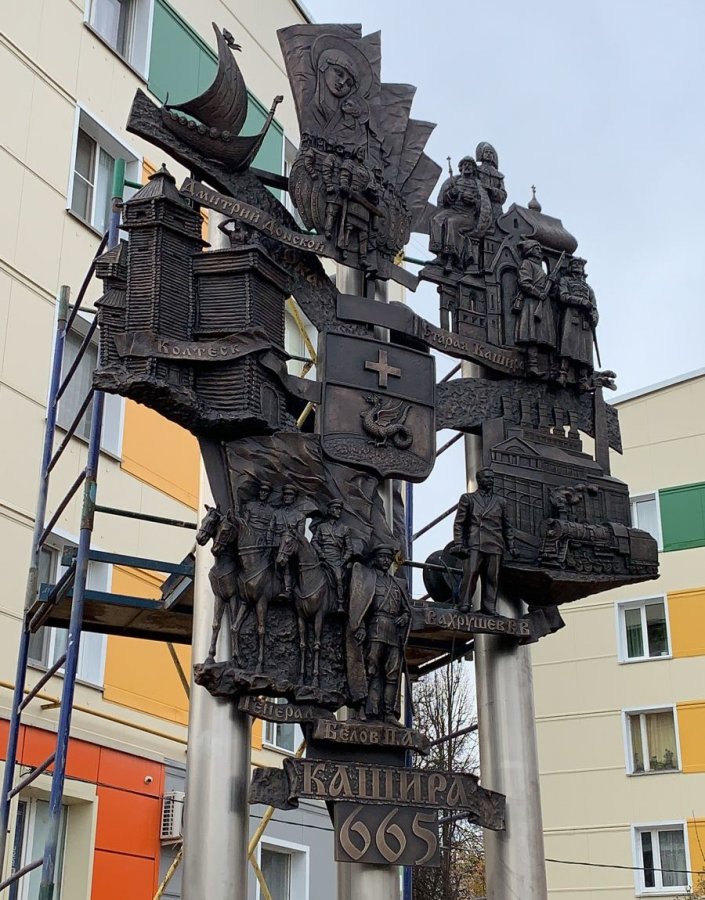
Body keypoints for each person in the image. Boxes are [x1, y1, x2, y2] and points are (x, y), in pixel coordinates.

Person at [347, 545, 411, 724]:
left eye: (388, 558)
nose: (385, 560)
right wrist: (360, 627)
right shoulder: (368, 579)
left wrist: (405, 617)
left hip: (394, 632)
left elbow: (406, 609)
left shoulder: (398, 584)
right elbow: (359, 605)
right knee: (370, 670)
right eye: (382, 557)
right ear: (375, 559)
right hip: (375, 628)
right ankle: (362, 708)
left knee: (392, 674)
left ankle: (388, 713)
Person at [450, 468, 517, 616]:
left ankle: (489, 607)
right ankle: (464, 604)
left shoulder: (501, 501)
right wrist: (459, 543)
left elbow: (507, 526)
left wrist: (511, 545)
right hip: (475, 542)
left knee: (492, 578)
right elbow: (459, 523)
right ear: (479, 480)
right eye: (487, 478)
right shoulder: (468, 498)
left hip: (495, 544)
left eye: (492, 478)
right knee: (470, 574)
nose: (490, 480)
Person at [429, 156, 491, 273]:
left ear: (474, 169)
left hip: (467, 216)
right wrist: (452, 194)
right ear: (460, 168)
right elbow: (445, 201)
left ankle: (451, 259)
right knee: (436, 219)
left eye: (470, 165)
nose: (467, 166)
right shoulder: (454, 181)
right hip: (453, 211)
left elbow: (483, 205)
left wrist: (473, 201)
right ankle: (439, 256)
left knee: (452, 223)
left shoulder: (478, 185)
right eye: (464, 164)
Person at [513, 239, 558, 377]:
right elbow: (524, 283)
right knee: (532, 334)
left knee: (541, 335)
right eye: (537, 248)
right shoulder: (527, 264)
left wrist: (551, 283)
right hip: (532, 302)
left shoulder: (539, 267)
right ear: (530, 250)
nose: (540, 251)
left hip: (542, 303)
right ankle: (531, 365)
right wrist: (539, 293)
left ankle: (547, 366)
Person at [556, 257, 599, 390]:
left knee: (585, 351)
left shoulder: (588, 288)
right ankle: (562, 374)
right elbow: (563, 296)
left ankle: (582, 380)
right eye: (575, 264)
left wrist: (594, 318)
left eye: (580, 265)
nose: (578, 267)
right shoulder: (565, 280)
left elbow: (594, 307)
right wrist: (581, 302)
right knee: (568, 345)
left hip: (585, 321)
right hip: (571, 316)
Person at [311, 500, 353, 611]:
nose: (339, 511)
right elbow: (314, 541)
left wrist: (343, 561)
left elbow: (349, 549)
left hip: (336, 559)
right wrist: (320, 553)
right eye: (336, 509)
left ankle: (340, 603)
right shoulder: (321, 527)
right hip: (322, 558)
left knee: (338, 578)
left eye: (340, 509)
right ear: (330, 510)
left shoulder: (344, 529)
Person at [267, 485, 307, 599]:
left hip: (289, 547)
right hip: (275, 545)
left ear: (294, 498)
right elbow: (270, 530)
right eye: (285, 494)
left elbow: (300, 536)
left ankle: (288, 590)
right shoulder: (276, 513)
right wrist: (269, 543)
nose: (287, 497)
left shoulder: (300, 516)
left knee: (286, 564)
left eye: (290, 495)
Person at [475, 141, 507, 220]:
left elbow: (503, 195)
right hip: (480, 204)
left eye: (491, 153)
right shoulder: (476, 170)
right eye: (486, 152)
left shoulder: (499, 175)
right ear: (482, 154)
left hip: (496, 208)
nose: (488, 154)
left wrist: (492, 191)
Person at [241, 481, 275, 546]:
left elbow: (270, 528)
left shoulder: (272, 510)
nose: (263, 493)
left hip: (264, 539)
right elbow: (245, 523)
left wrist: (269, 542)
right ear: (259, 491)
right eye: (261, 490)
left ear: (269, 493)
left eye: (266, 491)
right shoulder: (250, 505)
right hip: (250, 537)